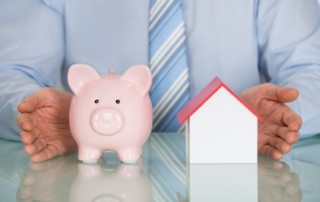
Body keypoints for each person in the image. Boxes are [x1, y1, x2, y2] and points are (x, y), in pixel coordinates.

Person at [0, 0, 319, 162]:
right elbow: (10, 71)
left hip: (235, 175)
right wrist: (50, 116)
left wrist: (266, 118)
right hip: (101, 177)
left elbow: (311, 70)